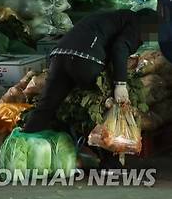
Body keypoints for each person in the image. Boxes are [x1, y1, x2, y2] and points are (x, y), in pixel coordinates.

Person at [22, 8, 158, 134]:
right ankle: (109, 156)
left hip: (59, 56)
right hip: (85, 59)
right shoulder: (137, 22)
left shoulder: (111, 18)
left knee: (46, 107)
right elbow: (120, 47)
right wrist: (121, 84)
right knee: (107, 106)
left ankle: (25, 140)